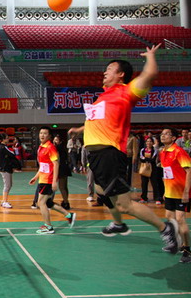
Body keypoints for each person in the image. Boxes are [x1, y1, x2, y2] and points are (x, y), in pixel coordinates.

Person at [68, 44, 182, 254]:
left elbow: (150, 74)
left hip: (110, 153)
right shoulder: (103, 97)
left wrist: (150, 57)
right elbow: (98, 120)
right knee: (102, 192)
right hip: (95, 155)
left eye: (110, 69)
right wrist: (80, 128)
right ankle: (119, 224)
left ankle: (166, 228)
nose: (105, 72)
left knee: (124, 204)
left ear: (121, 75)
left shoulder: (126, 91)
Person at [29, 127, 76, 234]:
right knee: (48, 203)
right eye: (41, 133)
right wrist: (36, 177)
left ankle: (48, 227)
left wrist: (54, 181)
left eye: (45, 133)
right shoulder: (41, 147)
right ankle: (69, 215)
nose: (42, 135)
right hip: (42, 178)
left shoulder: (51, 148)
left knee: (40, 202)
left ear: (50, 136)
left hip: (49, 179)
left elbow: (56, 164)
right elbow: (43, 165)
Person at [159, 128, 191, 263]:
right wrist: (164, 191)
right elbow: (166, 172)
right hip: (169, 192)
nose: (163, 135)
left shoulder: (179, 151)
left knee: (180, 219)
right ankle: (177, 243)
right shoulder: (162, 152)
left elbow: (190, 172)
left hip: (181, 192)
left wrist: (186, 191)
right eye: (162, 134)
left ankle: (187, 250)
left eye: (166, 134)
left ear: (173, 138)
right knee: (169, 217)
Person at [0, 133, 17, 209]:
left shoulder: (3, 147)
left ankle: (3, 201)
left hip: (7, 168)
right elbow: (12, 153)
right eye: (7, 138)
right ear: (3, 139)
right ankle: (4, 202)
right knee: (7, 185)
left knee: (9, 185)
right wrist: (14, 150)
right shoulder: (3, 147)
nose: (8, 139)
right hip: (5, 169)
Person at [139, 137, 163, 204]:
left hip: (153, 169)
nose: (148, 143)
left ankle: (157, 198)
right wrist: (147, 159)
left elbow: (153, 160)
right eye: (147, 141)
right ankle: (144, 198)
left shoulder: (155, 150)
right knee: (144, 184)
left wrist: (145, 158)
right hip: (144, 168)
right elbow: (141, 159)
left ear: (152, 143)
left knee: (154, 184)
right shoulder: (142, 150)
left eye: (150, 141)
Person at [53, 133, 72, 210]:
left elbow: (57, 159)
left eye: (56, 140)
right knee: (65, 186)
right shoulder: (63, 147)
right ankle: (65, 201)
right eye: (54, 139)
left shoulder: (57, 148)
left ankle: (66, 203)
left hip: (61, 168)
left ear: (60, 141)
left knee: (62, 187)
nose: (54, 141)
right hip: (65, 167)